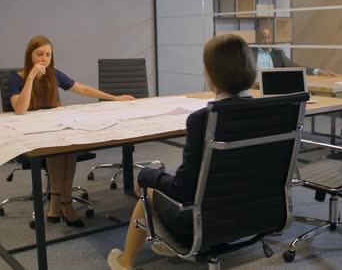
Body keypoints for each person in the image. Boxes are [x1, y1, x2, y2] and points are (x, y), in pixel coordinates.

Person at [107, 34, 256, 270]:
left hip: (207, 222)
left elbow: (183, 190)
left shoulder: (203, 120)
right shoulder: (272, 112)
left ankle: (125, 261)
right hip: (258, 215)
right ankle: (168, 243)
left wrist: (147, 175)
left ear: (209, 72)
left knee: (150, 189)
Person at [8, 35, 135, 227]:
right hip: (32, 133)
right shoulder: (16, 78)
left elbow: (81, 89)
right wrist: (32, 76)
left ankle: (58, 202)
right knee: (57, 150)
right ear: (30, 56)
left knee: (69, 150)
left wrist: (114, 98)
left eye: (48, 55)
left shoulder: (54, 74)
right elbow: (20, 108)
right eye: (39, 54)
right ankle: (64, 204)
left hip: (54, 126)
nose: (44, 59)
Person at [251, 27, 336, 76]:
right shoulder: (250, 54)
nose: (266, 41)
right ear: (257, 39)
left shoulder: (278, 54)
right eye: (263, 38)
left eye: (268, 38)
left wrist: (317, 71)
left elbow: (295, 66)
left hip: (272, 89)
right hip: (253, 89)